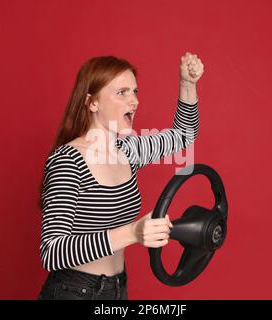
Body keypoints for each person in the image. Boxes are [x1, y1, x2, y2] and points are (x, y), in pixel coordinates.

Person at [37, 52, 204, 300]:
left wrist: (187, 84)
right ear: (92, 103)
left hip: (116, 289)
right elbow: (52, 253)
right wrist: (133, 233)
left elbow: (184, 136)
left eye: (135, 92)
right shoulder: (68, 161)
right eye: (122, 93)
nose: (134, 101)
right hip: (72, 292)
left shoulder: (128, 150)